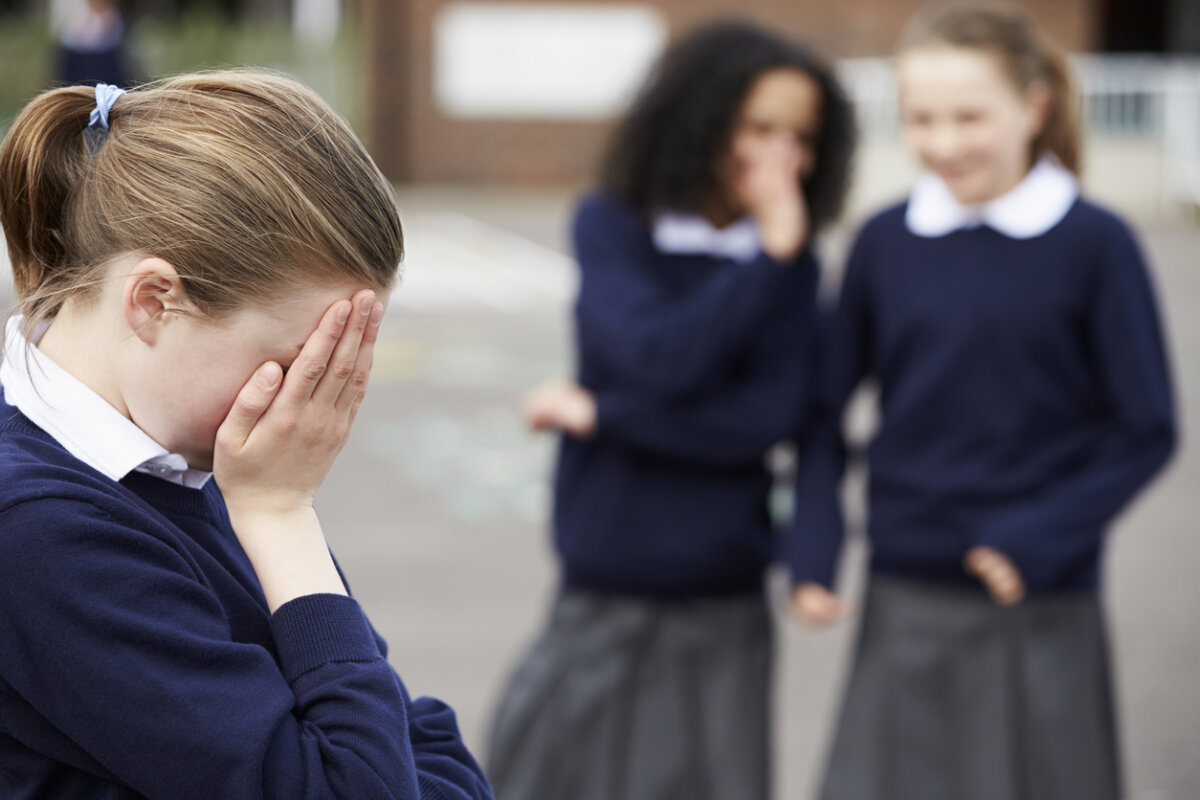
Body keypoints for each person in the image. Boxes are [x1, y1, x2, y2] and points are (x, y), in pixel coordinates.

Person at [0, 74, 492, 799]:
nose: (314, 405)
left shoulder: (195, 463)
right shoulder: (39, 532)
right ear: (153, 302)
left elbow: (406, 737)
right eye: (300, 363)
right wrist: (281, 516)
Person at [786, 5, 1176, 800]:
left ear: (1034, 107)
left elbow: (1146, 428)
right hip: (904, 594)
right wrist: (814, 547)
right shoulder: (884, 242)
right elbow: (822, 411)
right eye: (921, 119)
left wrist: (1038, 536)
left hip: (1040, 598)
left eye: (970, 116)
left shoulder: (1095, 243)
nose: (944, 143)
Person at [485, 20, 854, 800]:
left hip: (723, 588)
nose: (781, 157)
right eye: (759, 127)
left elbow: (765, 422)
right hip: (605, 574)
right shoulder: (615, 226)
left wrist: (605, 414)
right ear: (699, 119)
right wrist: (769, 256)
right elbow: (662, 358)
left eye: (802, 136)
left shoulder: (790, 259)